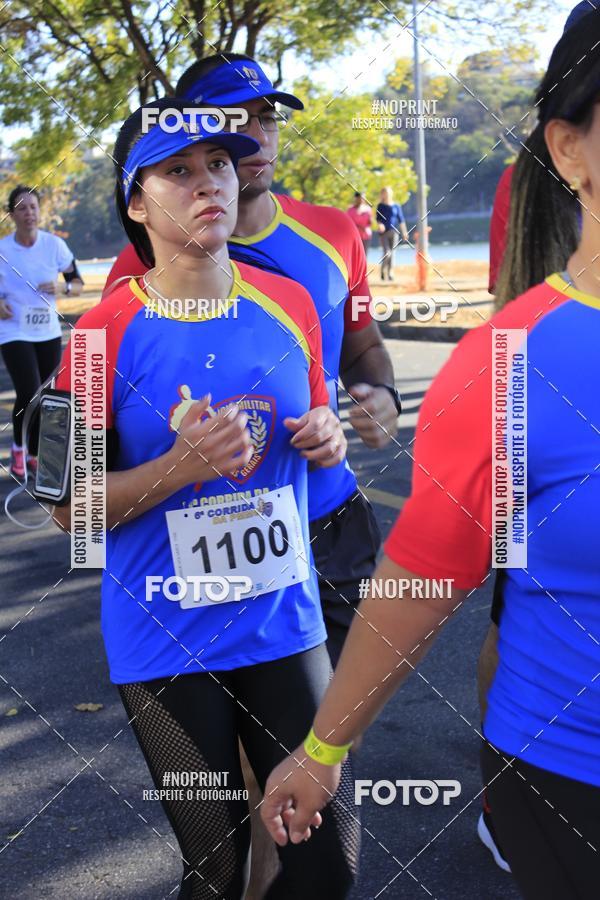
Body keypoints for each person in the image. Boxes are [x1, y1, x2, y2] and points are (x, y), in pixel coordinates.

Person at [261, 13, 600, 899]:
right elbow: (422, 579)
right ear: (571, 151)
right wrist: (323, 749)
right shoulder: (511, 364)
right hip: (575, 784)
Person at [52, 97, 360, 900]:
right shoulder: (97, 338)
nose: (206, 184)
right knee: (219, 865)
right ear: (135, 200)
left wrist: (328, 433)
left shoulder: (289, 302)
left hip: (282, 621)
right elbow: (66, 510)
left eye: (218, 164)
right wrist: (179, 468)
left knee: (327, 862)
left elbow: (316, 422)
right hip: (166, 641)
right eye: (178, 171)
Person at [106, 54, 401, 673]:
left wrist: (381, 394)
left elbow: (362, 343)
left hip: (326, 511)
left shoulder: (333, 232)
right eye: (235, 120)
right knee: (250, 735)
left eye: (267, 119)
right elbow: (94, 454)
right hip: (212, 528)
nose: (259, 136)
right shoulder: (141, 270)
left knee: (335, 728)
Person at [0, 186, 83, 478]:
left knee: (47, 393)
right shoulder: (3, 250)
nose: (29, 214)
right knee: (28, 390)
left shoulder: (54, 246)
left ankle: (36, 453)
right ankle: (20, 450)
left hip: (46, 329)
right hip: (13, 330)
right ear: (11, 215)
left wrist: (63, 287)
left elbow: (76, 282)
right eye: (22, 208)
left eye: (33, 207)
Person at [375, 186, 408, 281]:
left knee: (393, 253)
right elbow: (378, 219)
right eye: (384, 193)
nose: (386, 195)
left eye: (388, 193)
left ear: (391, 194)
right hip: (383, 233)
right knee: (387, 253)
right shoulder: (380, 206)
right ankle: (383, 270)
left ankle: (390, 273)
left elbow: (401, 219)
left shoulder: (396, 206)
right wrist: (380, 225)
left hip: (394, 232)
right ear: (382, 194)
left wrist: (404, 232)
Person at [346, 191, 372, 257]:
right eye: (360, 198)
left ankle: (363, 267)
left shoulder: (368, 209)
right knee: (354, 254)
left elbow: (370, 222)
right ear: (356, 198)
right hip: (354, 236)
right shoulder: (350, 210)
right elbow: (348, 223)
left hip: (365, 235)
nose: (361, 200)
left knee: (364, 255)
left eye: (363, 198)